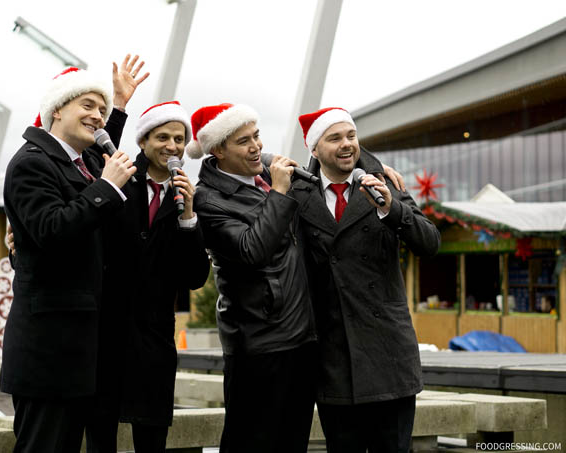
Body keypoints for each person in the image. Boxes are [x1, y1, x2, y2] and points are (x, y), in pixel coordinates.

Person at [0, 65, 137, 453]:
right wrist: (108, 187)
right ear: (57, 109)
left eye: (102, 110)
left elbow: (101, 152)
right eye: (87, 105)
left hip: (79, 357)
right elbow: (52, 231)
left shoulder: (82, 161)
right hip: (48, 355)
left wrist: (120, 105)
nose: (98, 116)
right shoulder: (31, 163)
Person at [290, 107, 441, 452]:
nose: (347, 145)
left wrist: (392, 209)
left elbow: (430, 243)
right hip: (333, 360)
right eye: (335, 138)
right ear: (314, 149)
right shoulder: (298, 195)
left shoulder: (384, 184)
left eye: (351, 136)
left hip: (389, 356)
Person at [187, 103, 317, 453]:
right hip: (258, 342)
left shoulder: (271, 175)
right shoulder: (208, 199)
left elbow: (329, 166)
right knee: (252, 441)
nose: (256, 146)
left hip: (301, 336)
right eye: (243, 141)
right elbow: (251, 250)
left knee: (293, 441)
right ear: (218, 150)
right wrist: (278, 193)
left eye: (257, 136)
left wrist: (375, 167)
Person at [87, 101, 210, 452]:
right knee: (100, 432)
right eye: (162, 137)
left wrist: (188, 218)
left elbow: (195, 276)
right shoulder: (119, 177)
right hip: (107, 332)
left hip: (155, 336)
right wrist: (119, 106)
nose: (172, 146)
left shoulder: (184, 195)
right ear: (143, 141)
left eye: (178, 138)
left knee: (153, 436)